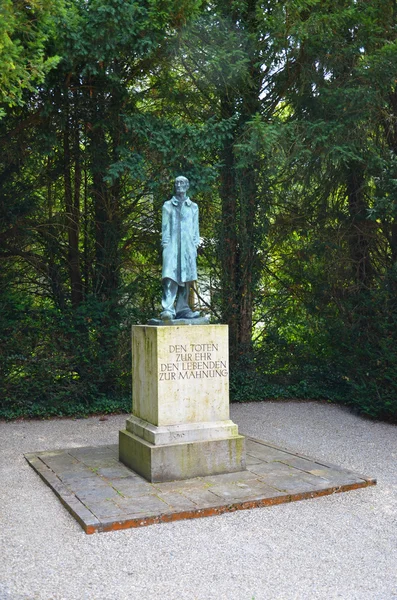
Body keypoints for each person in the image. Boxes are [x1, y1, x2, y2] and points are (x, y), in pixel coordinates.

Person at [160, 176, 201, 320]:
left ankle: (183, 308)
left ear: (187, 185)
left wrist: (195, 245)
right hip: (172, 246)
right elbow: (165, 230)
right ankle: (168, 309)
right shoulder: (168, 205)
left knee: (187, 278)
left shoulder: (193, 207)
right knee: (170, 278)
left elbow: (196, 230)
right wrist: (165, 247)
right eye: (176, 183)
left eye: (182, 183)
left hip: (188, 247)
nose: (179, 185)